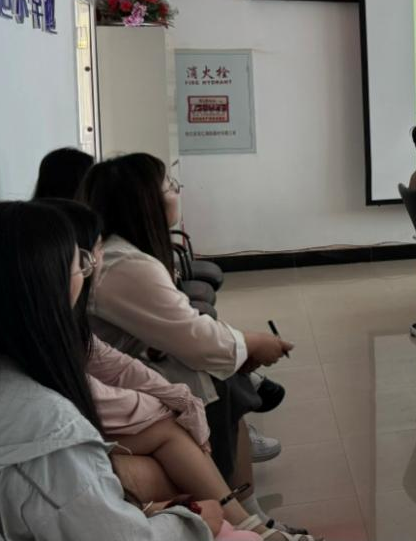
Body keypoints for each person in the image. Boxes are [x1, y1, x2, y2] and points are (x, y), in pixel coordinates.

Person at [0, 201, 214, 540]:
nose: (91, 266)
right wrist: (193, 522)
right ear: (48, 286)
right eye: (81, 261)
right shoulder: (47, 422)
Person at [42, 199, 313, 541]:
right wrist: (172, 405)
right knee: (194, 401)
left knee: (183, 411)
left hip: (91, 439)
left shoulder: (60, 323)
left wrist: (178, 399)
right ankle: (243, 523)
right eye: (85, 258)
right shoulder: (119, 267)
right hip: (78, 457)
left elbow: (115, 364)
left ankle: (245, 523)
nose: (94, 263)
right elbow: (192, 339)